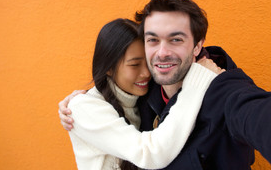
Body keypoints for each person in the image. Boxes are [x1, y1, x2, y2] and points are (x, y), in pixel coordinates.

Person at [59, 0, 271, 170]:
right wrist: (80, 100)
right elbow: (145, 149)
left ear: (197, 46)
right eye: (153, 40)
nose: (161, 53)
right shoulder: (145, 92)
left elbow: (255, 111)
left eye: (176, 39)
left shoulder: (219, 87)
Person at [66, 18, 225, 170]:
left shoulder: (144, 99)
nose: (146, 73)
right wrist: (196, 81)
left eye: (148, 62)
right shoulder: (85, 107)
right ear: (108, 67)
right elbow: (149, 153)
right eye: (134, 65)